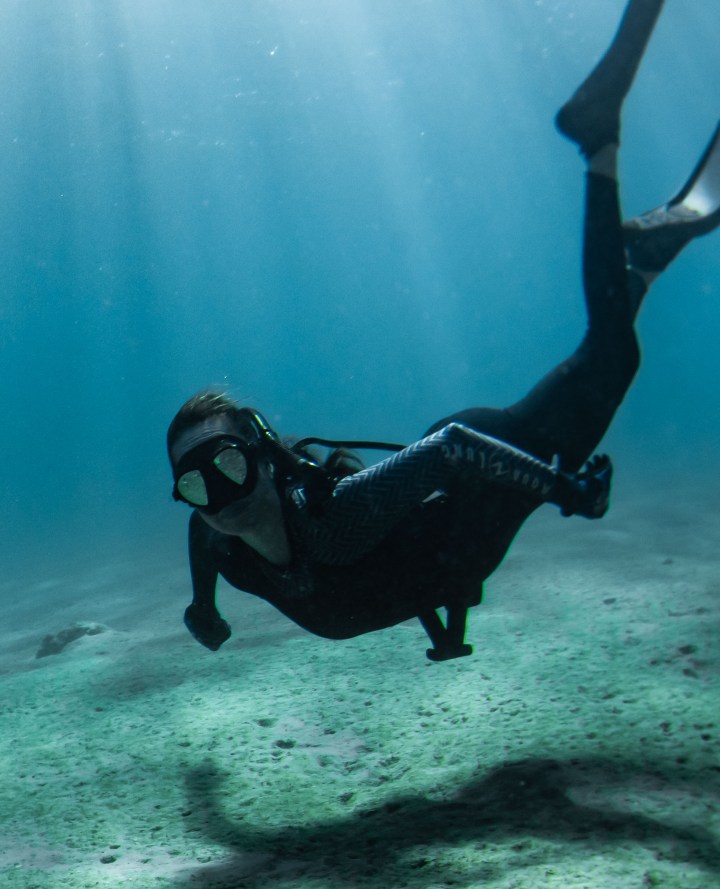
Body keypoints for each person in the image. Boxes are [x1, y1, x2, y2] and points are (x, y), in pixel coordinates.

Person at [168, 0, 719, 662]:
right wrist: (203, 606)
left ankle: (599, 138)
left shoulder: (335, 522)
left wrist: (560, 489)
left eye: (228, 467)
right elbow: (203, 538)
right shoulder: (226, 546)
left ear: (260, 455)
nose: (220, 499)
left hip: (482, 475)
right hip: (457, 524)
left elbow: (455, 446)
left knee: (610, 358)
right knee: (604, 357)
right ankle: (637, 262)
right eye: (197, 486)